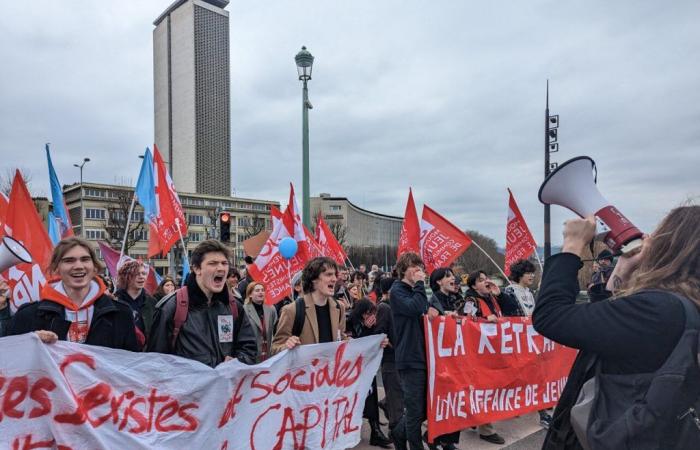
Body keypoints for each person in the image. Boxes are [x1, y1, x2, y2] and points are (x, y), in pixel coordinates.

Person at [533, 207, 700, 450]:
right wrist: (622, 269)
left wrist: (572, 245)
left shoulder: (659, 308)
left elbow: (550, 316)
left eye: (658, 234)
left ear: (672, 246)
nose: (649, 238)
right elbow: (611, 330)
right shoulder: (683, 306)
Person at [8, 237, 138, 351]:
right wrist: (29, 343)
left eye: (85, 259)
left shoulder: (121, 313)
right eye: (69, 261)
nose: (78, 266)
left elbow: (129, 367)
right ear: (56, 268)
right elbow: (12, 362)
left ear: (94, 267)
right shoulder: (28, 315)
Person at [147, 240, 257, 367]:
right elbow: (156, 361)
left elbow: (249, 349)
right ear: (197, 268)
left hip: (224, 386)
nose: (221, 268)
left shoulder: (233, 306)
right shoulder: (172, 307)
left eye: (224, 263)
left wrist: (238, 361)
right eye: (213, 263)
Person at [456, 270, 520, 445]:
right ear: (473, 286)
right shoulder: (471, 300)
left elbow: (512, 309)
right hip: (479, 352)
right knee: (484, 386)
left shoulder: (492, 298)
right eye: (481, 280)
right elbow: (466, 320)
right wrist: (485, 319)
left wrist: (499, 295)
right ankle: (486, 429)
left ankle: (474, 417)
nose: (486, 282)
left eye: (486, 279)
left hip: (493, 349)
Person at [505, 259, 553, 428]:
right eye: (528, 273)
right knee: (518, 376)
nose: (532, 275)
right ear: (519, 275)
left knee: (536, 375)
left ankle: (542, 412)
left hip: (532, 340)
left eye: (533, 272)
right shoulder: (509, 292)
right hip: (517, 342)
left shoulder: (529, 293)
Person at [390, 251, 429, 450]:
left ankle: (398, 433)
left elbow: (426, 308)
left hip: (423, 356)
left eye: (421, 268)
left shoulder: (416, 292)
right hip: (409, 356)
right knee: (414, 411)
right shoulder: (397, 290)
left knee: (422, 409)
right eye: (415, 267)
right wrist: (421, 285)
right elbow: (415, 307)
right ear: (404, 270)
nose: (419, 272)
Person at [271, 257, 347, 353]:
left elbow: (342, 338)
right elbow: (274, 349)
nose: (334, 279)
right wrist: (286, 346)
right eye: (329, 275)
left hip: (330, 367)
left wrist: (354, 344)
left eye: (335, 275)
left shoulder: (339, 307)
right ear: (313, 279)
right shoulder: (291, 310)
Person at [348, 299, 393, 448]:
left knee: (371, 398)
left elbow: (372, 343)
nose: (370, 315)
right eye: (368, 312)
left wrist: (377, 336)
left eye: (372, 313)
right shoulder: (350, 322)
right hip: (350, 371)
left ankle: (376, 431)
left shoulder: (372, 324)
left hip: (367, 370)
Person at [375, 277, 404, 439]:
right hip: (390, 360)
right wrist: (389, 343)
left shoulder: (395, 306)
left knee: (399, 395)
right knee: (397, 402)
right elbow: (379, 333)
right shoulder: (384, 308)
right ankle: (396, 433)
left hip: (400, 357)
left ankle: (386, 403)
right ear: (388, 291)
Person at [115, 259, 157, 349]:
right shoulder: (114, 302)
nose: (141, 277)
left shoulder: (152, 302)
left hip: (145, 355)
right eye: (136, 274)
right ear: (126, 277)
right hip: (119, 356)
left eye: (143, 273)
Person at [242, 282, 278, 363]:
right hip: (252, 355)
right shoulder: (244, 310)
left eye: (262, 290)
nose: (261, 292)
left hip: (268, 354)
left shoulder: (271, 309)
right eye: (257, 290)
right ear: (250, 295)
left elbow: (276, 329)